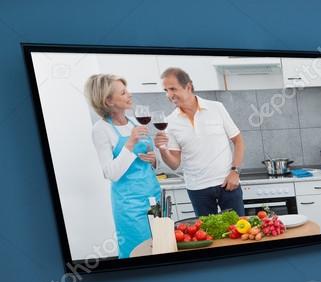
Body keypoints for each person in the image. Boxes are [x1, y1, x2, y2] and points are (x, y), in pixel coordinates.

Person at [86, 74, 161, 258]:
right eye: (123, 92)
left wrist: (153, 159)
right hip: (130, 205)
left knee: (162, 246)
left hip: (154, 197)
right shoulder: (101, 129)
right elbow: (111, 173)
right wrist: (130, 143)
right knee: (139, 253)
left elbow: (148, 163)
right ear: (108, 100)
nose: (130, 94)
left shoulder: (135, 122)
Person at [153, 67, 245, 217]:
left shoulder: (216, 108)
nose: (169, 95)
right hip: (198, 189)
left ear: (188, 86)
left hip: (227, 183)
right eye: (165, 90)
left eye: (172, 89)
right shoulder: (170, 122)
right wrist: (162, 149)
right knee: (208, 237)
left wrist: (235, 171)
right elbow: (174, 164)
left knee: (240, 233)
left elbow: (238, 140)